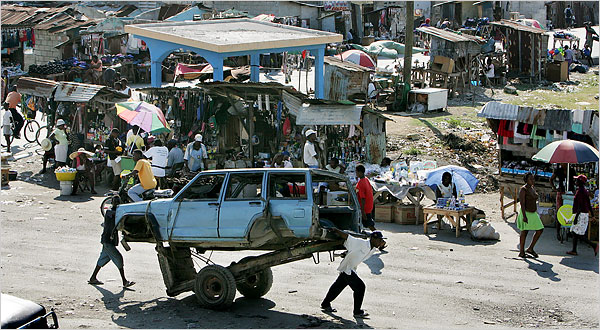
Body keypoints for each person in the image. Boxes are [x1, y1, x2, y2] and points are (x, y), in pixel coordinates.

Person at [321, 229, 386, 318]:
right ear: (372, 239)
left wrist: (382, 245)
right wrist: (335, 230)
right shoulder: (361, 243)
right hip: (348, 268)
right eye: (379, 240)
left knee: (338, 286)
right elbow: (347, 237)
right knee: (360, 287)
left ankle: (325, 304)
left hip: (350, 268)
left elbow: (379, 247)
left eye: (381, 240)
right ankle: (357, 312)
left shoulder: (373, 249)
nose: (380, 242)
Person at [88, 196, 135, 288]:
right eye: (116, 202)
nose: (117, 203)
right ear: (112, 202)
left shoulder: (116, 212)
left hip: (108, 241)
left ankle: (93, 278)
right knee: (118, 258)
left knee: (102, 259)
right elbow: (114, 215)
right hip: (108, 241)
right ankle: (124, 281)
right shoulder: (110, 212)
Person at [567, 175, 598, 256]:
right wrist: (593, 215)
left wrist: (576, 217)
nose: (575, 182)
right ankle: (574, 250)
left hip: (581, 214)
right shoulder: (584, 191)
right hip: (583, 214)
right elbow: (588, 203)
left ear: (580, 182)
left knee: (579, 235)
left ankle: (594, 245)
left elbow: (580, 205)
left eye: (577, 180)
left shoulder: (581, 191)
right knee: (575, 232)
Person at [517, 173, 544, 258]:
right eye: (530, 179)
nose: (533, 181)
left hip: (533, 213)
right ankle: (521, 251)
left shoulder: (532, 188)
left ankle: (530, 248)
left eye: (533, 179)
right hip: (526, 212)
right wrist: (524, 216)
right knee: (524, 232)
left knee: (540, 229)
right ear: (526, 180)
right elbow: (522, 203)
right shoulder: (523, 189)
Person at [356, 164, 376, 231]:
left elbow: (363, 198)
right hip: (369, 205)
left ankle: (378, 236)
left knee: (369, 224)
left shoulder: (361, 183)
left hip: (365, 207)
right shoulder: (366, 179)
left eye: (356, 172)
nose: (356, 173)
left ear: (360, 172)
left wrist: (362, 211)